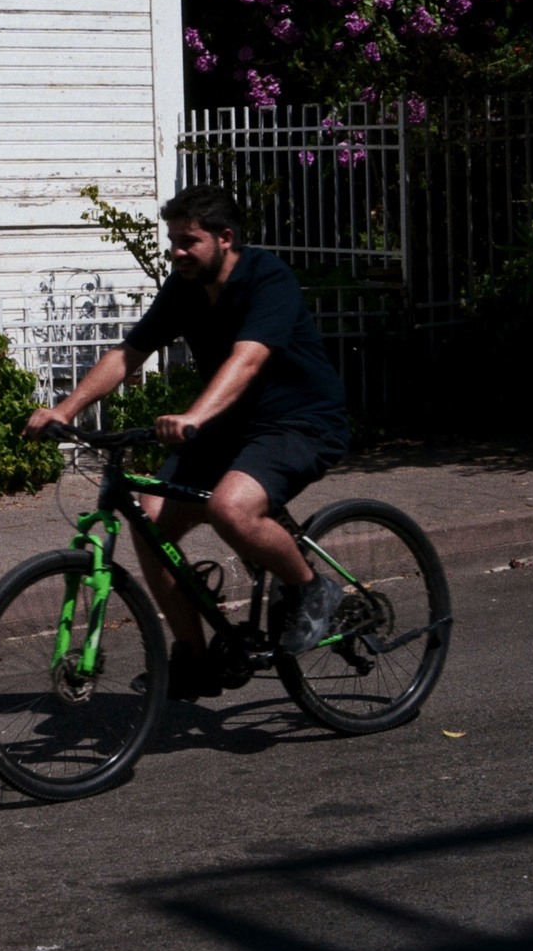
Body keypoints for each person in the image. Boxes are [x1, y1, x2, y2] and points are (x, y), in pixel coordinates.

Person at [24, 184, 352, 700]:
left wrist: (195, 415)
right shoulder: (185, 288)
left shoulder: (267, 278)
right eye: (172, 240)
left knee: (230, 508)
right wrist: (64, 409)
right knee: (149, 522)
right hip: (226, 427)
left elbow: (248, 358)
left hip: (298, 422)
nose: (176, 251)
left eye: (188, 241)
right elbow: (128, 353)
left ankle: (314, 587)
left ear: (225, 239)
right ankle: (196, 660)